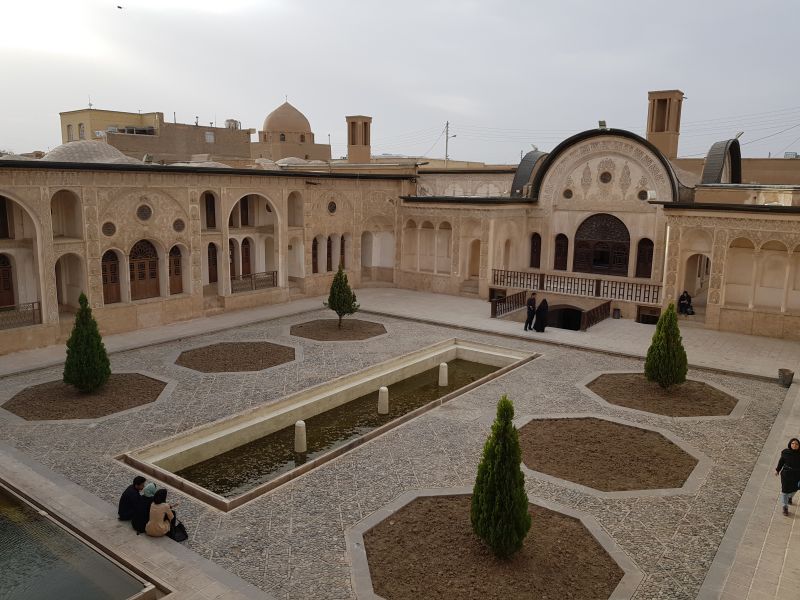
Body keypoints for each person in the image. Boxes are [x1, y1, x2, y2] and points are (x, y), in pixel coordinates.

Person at [775, 438, 800, 516]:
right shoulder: (785, 452)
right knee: (785, 490)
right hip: (786, 474)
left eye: (796, 444)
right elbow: (781, 461)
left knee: (795, 488)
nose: (794, 445)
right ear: (790, 444)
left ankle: (790, 497)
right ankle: (785, 507)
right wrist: (777, 470)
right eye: (793, 443)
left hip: (797, 474)